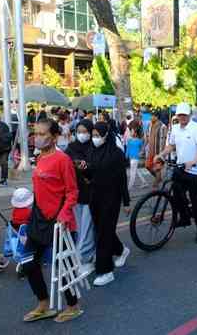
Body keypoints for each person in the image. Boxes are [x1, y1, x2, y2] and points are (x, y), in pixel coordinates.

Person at [22, 118, 81, 323]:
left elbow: (73, 192)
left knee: (62, 267)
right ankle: (43, 304)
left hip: (59, 221)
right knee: (28, 263)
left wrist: (64, 214)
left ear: (54, 137)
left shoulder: (63, 160)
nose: (37, 138)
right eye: (35, 133)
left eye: (42, 134)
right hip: (38, 219)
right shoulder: (39, 158)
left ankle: (73, 306)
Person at [85, 121, 130, 286]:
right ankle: (120, 250)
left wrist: (126, 201)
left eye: (98, 135)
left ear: (105, 135)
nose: (94, 138)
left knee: (103, 233)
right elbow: (90, 173)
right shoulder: (91, 151)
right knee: (102, 229)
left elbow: (122, 179)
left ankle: (105, 270)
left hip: (111, 198)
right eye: (93, 135)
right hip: (95, 196)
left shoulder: (116, 154)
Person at [156, 102, 197, 244]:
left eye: (184, 115)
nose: (182, 117)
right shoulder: (175, 129)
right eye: (180, 115)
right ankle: (185, 218)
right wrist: (161, 155)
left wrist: (194, 161)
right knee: (176, 194)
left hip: (195, 171)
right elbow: (171, 145)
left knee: (196, 202)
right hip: (180, 167)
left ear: (189, 115)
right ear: (177, 115)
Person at [64, 119, 96, 275]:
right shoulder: (71, 148)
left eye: (85, 132)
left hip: (91, 192)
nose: (82, 135)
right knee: (80, 228)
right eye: (79, 131)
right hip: (76, 192)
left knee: (87, 228)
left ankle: (84, 259)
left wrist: (87, 167)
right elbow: (65, 165)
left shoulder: (95, 147)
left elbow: (98, 167)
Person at [0, 187, 33, 272]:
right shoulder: (29, 212)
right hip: (24, 234)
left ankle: (7, 256)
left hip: (15, 231)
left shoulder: (15, 210)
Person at [145, 111, 168, 188]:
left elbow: (165, 140)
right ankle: (158, 178)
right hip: (151, 151)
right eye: (151, 116)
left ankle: (156, 186)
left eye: (152, 116)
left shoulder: (163, 126)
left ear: (157, 117)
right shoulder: (149, 125)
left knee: (158, 169)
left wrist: (163, 153)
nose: (151, 118)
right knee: (147, 166)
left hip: (159, 151)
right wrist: (144, 148)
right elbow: (147, 137)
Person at [125, 121, 145, 189]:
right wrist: (125, 157)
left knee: (132, 173)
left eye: (132, 131)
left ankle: (130, 186)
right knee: (136, 171)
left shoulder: (139, 141)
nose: (130, 132)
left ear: (136, 133)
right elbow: (127, 149)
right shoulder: (129, 140)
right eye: (130, 131)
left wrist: (140, 153)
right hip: (131, 158)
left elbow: (142, 149)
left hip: (135, 158)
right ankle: (144, 182)